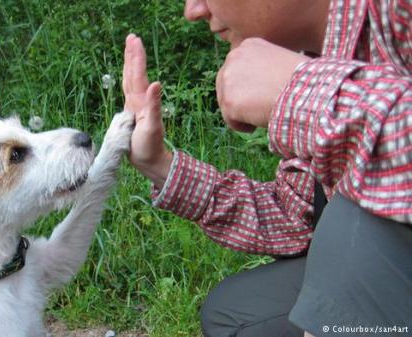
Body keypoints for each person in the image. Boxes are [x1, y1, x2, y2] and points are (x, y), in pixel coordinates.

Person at [122, 0, 412, 336]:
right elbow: (297, 217)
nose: (193, 10)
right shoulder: (319, 55)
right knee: (239, 315)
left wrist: (311, 94)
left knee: (353, 222)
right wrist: (159, 164)